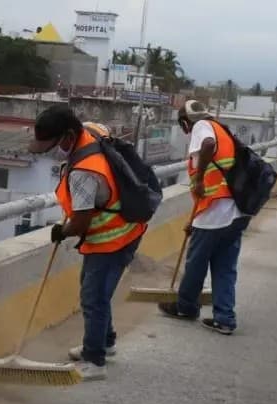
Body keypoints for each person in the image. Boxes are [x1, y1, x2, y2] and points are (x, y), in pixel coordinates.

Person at [28, 104, 145, 381]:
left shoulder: (83, 171)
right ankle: (105, 341)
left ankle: (95, 360)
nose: (51, 151)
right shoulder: (91, 132)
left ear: (69, 136)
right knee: (95, 291)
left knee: (93, 297)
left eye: (53, 144)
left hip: (112, 237)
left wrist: (62, 231)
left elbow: (80, 223)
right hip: (126, 228)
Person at [158, 100, 249, 335]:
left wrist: (197, 180)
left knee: (196, 263)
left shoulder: (202, 128)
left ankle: (186, 306)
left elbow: (207, 145)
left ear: (185, 122)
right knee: (225, 267)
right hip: (232, 210)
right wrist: (193, 221)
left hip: (214, 212)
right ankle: (225, 318)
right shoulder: (220, 128)